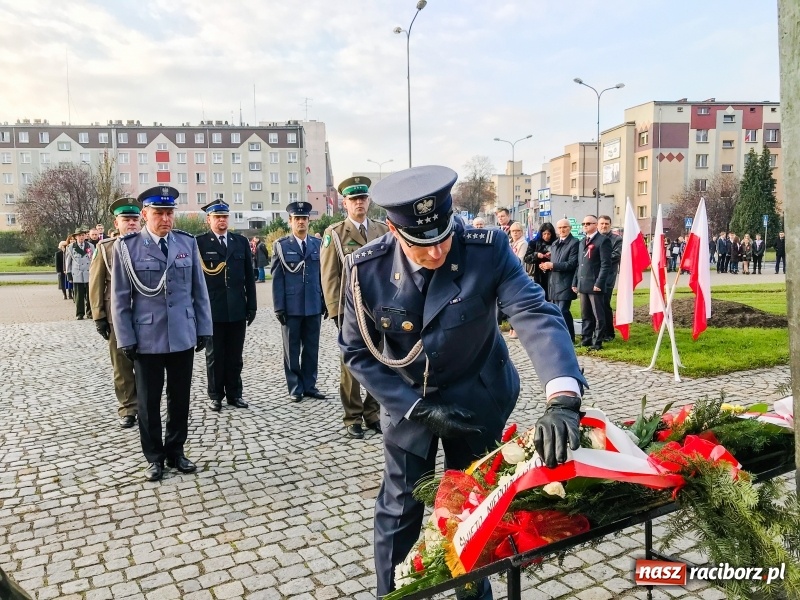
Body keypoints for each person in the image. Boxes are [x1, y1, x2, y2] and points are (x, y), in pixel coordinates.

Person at [339, 166, 587, 600]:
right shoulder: (366, 270)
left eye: (444, 237)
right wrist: (416, 408)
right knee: (400, 509)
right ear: (395, 232)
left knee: (473, 510)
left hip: (478, 394)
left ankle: (474, 593)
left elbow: (534, 313)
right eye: (422, 244)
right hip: (409, 401)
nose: (436, 252)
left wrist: (563, 395)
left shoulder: (487, 250)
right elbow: (358, 353)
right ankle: (394, 593)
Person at [111, 186, 213, 481]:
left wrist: (203, 328)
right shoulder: (128, 248)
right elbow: (119, 298)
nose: (166, 219)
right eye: (159, 213)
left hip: (181, 333)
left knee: (179, 399)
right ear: (145, 215)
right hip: (147, 338)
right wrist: (126, 338)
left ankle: (176, 451)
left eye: (170, 213)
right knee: (148, 401)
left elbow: (199, 291)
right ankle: (154, 456)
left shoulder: (186, 243)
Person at [321, 176, 389, 439]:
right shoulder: (335, 235)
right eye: (353, 200)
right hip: (351, 309)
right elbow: (329, 275)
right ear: (345, 203)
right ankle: (352, 416)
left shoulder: (382, 231)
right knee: (350, 365)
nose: (359, 203)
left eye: (362, 198)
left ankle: (372, 414)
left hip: (379, 308)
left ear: (369, 201)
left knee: (380, 360)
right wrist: (336, 312)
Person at [196, 200, 257, 412]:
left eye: (224, 217)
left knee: (234, 356)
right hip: (212, 310)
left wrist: (252, 306)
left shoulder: (239, 242)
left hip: (237, 308)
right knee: (214, 356)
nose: (222, 220)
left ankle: (234, 394)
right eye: (217, 217)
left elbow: (249, 276)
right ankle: (215, 395)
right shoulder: (200, 243)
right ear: (209, 220)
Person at [89, 197, 141, 429]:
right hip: (116, 317)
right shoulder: (105, 248)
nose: (131, 223)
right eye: (126, 219)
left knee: (147, 364)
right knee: (121, 366)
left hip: (146, 316)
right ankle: (128, 407)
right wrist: (99, 316)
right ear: (116, 222)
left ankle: (147, 404)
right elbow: (96, 284)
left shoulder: (147, 244)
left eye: (134, 219)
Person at [271, 201, 326, 402]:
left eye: (304, 219)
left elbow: (323, 276)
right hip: (291, 307)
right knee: (292, 349)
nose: (301, 222)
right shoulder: (282, 246)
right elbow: (277, 278)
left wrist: (325, 302)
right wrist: (279, 307)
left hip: (313, 305)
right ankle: (295, 387)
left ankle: (310, 385)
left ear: (309, 221)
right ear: (290, 221)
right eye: (297, 219)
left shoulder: (318, 245)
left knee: (312, 349)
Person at [572, 215, 611, 350]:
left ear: (595, 224)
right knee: (586, 314)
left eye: (588, 223)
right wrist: (575, 282)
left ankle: (598, 341)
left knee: (598, 315)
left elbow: (606, 265)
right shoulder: (582, 241)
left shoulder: (602, 241)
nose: (585, 225)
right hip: (583, 283)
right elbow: (580, 264)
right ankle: (586, 339)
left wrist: (599, 283)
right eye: (583, 223)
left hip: (595, 284)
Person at [539, 219, 579, 342]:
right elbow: (554, 262)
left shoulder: (574, 243)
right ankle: (559, 336)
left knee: (563, 310)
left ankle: (570, 337)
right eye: (560, 227)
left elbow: (572, 264)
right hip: (554, 282)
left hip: (566, 282)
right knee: (555, 312)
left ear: (570, 228)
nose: (562, 230)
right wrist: (546, 266)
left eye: (565, 227)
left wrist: (553, 265)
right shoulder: (555, 243)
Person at [597, 215, 622, 342]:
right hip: (594, 276)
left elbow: (616, 255)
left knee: (605, 304)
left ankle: (609, 332)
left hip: (608, 277)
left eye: (606, 223)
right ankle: (597, 331)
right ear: (597, 225)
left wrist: (598, 259)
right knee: (595, 305)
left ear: (610, 225)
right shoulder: (595, 238)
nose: (604, 226)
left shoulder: (616, 239)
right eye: (601, 223)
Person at [65, 226, 93, 319]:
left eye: (83, 235)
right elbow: (68, 262)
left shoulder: (90, 246)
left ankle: (90, 312)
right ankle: (80, 313)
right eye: (79, 235)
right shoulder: (71, 247)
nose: (81, 237)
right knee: (79, 296)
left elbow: (93, 260)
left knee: (90, 295)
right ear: (75, 237)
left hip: (88, 273)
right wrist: (69, 275)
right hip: (77, 274)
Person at [524, 222, 556, 301]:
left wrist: (552, 255)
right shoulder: (534, 243)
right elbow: (526, 258)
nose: (546, 236)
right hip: (538, 274)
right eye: (544, 234)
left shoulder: (556, 243)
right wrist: (536, 255)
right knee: (540, 296)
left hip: (553, 273)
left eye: (548, 234)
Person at [507, 222, 528, 340]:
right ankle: (512, 327)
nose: (515, 233)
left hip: (517, 274)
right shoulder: (511, 242)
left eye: (517, 231)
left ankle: (516, 328)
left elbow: (519, 259)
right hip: (509, 275)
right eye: (513, 231)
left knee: (517, 304)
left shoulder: (523, 243)